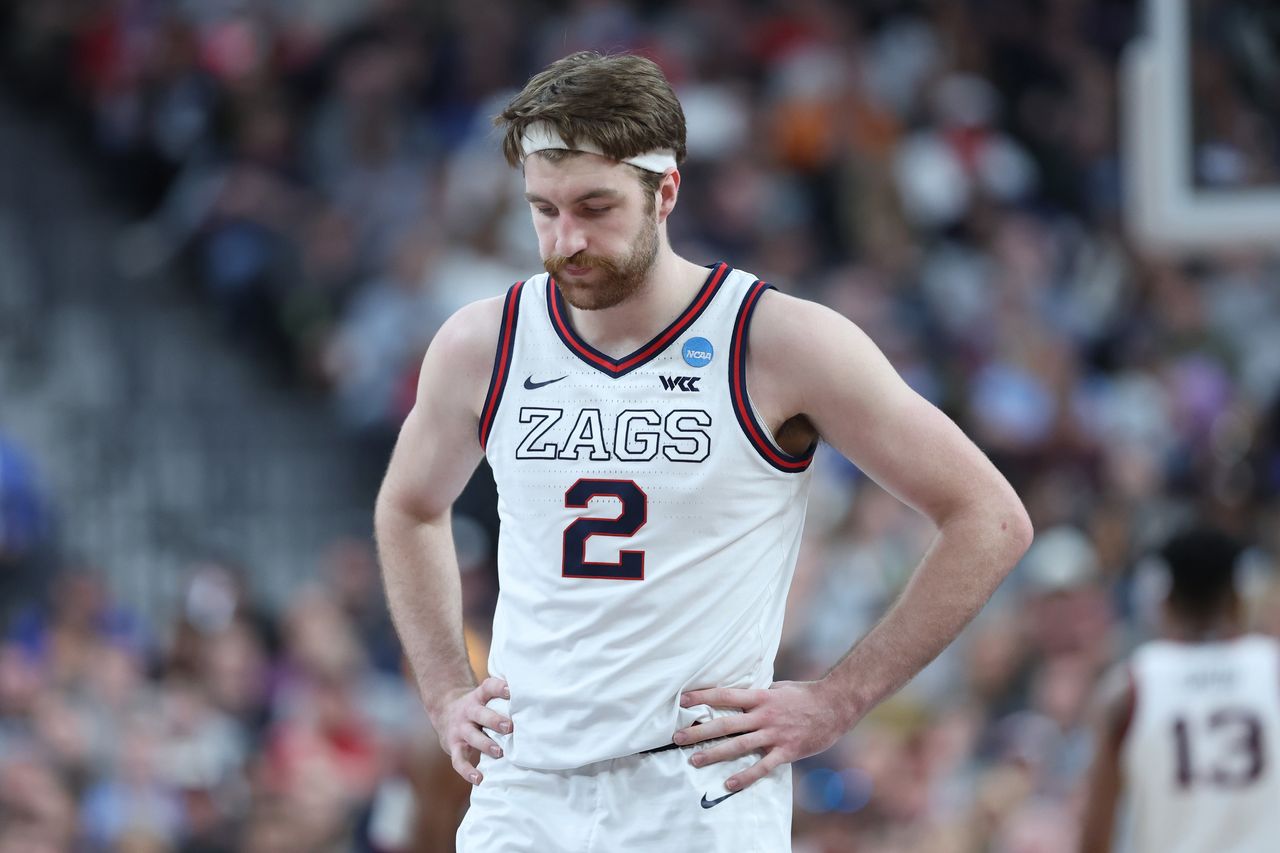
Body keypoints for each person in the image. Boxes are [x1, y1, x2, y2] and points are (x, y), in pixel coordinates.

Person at [374, 51, 1032, 851]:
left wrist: (839, 699)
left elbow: (991, 517)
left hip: (693, 788)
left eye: (594, 207)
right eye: (544, 210)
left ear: (665, 192)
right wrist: (446, 689)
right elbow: (409, 506)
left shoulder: (775, 339)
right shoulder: (484, 340)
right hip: (523, 784)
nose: (566, 238)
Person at [1079, 525, 1280, 853]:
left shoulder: (1129, 688)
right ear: (1237, 599)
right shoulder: (1272, 669)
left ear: (1166, 601)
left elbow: (1094, 839)